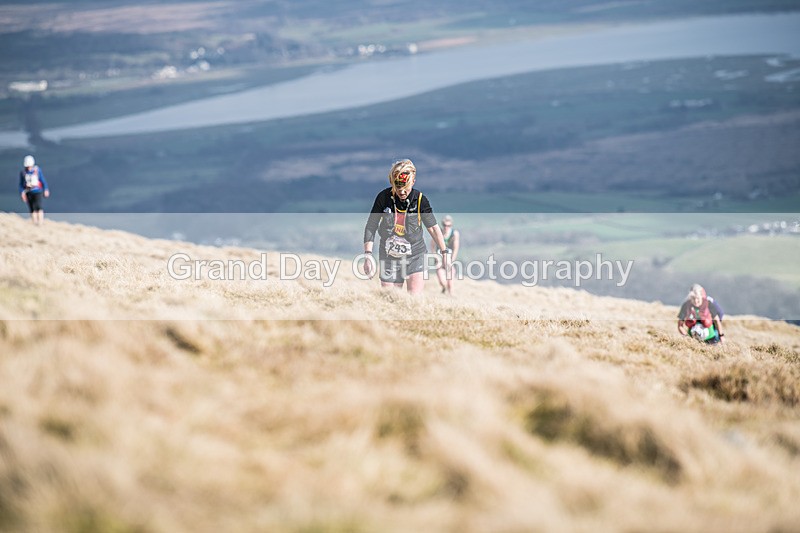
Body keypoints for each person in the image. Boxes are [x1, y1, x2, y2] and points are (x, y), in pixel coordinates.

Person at [363, 159, 451, 294]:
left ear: (413, 182)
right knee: (389, 297)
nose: (402, 192)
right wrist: (368, 255)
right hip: (388, 255)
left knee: (413, 299)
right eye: (398, 187)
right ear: (393, 183)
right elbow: (371, 226)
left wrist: (444, 253)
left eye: (406, 188)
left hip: (415, 255)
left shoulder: (420, 200)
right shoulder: (384, 197)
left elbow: (433, 228)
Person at [430, 214, 460, 295]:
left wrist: (452, 260)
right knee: (442, 281)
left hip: (449, 258)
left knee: (450, 282)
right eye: (445, 225)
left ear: (451, 225)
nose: (446, 227)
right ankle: (444, 289)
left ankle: (451, 296)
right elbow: (432, 246)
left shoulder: (454, 234)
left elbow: (456, 248)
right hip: (439, 258)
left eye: (448, 225)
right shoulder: (438, 233)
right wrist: (436, 257)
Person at [19, 155, 50, 225]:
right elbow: (21, 184)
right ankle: (35, 223)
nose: (28, 168)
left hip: (37, 191)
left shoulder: (37, 170)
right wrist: (22, 193)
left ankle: (40, 223)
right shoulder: (23, 173)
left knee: (38, 207)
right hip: (28, 192)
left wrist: (46, 189)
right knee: (32, 208)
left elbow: (42, 180)